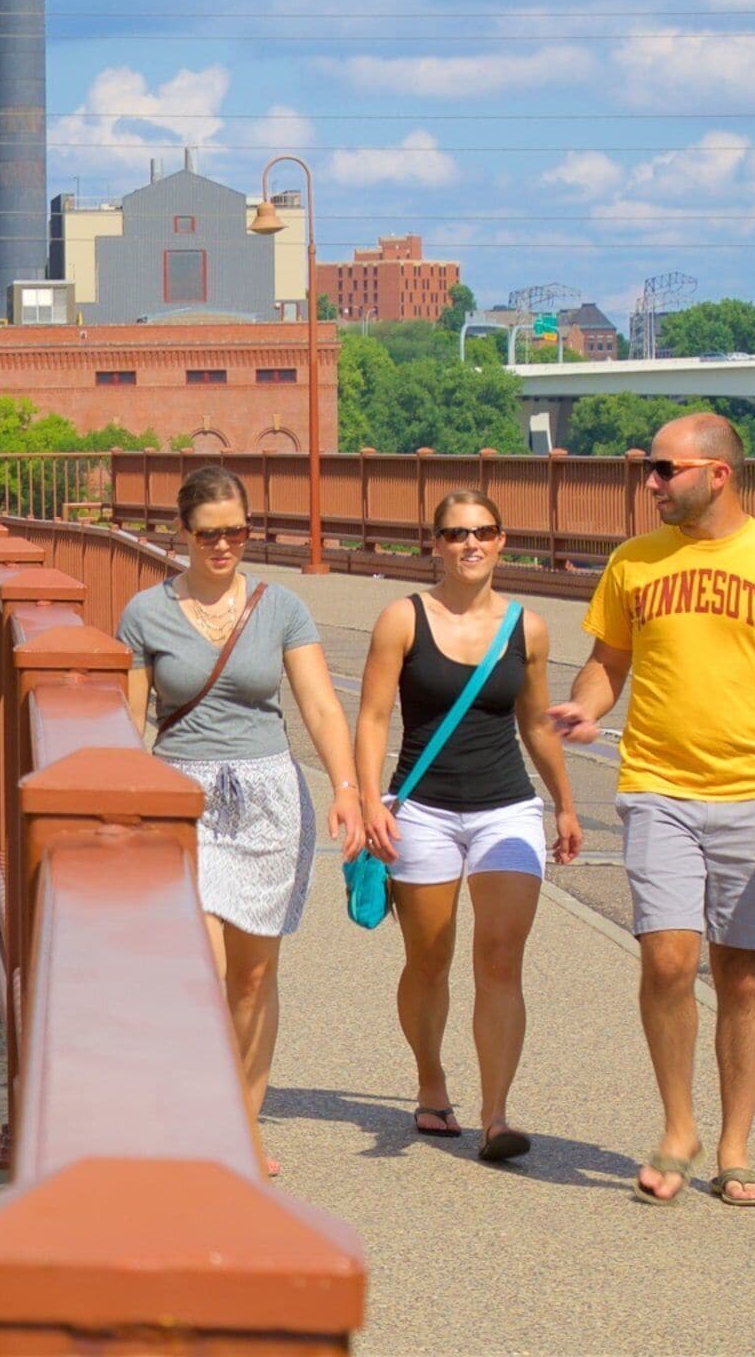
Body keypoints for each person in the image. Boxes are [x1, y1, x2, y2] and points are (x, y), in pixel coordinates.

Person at [550, 412, 755, 1209]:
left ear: (717, 475)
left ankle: (734, 1149)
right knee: (668, 960)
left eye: (664, 469)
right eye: (648, 469)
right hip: (659, 788)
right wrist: (585, 707)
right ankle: (678, 1128)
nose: (650, 482)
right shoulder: (633, 562)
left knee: (742, 977)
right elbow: (607, 664)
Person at [118, 463, 365, 1179]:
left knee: (255, 978)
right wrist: (124, 805)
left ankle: (241, 1126)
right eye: (209, 534)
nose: (224, 545)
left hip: (268, 798)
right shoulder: (146, 614)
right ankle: (199, 1114)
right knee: (204, 966)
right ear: (182, 533)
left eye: (236, 531)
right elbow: (130, 721)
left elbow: (319, 705)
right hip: (183, 797)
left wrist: (347, 787)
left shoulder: (280, 606)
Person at [355, 488, 580, 1163]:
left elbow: (536, 724)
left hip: (504, 806)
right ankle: (431, 1080)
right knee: (429, 957)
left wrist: (565, 803)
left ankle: (495, 1115)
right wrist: (369, 802)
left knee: (501, 957)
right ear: (437, 544)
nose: (470, 544)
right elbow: (372, 718)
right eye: (456, 534)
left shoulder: (527, 628)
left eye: (482, 532)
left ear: (502, 540)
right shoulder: (402, 619)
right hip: (423, 809)